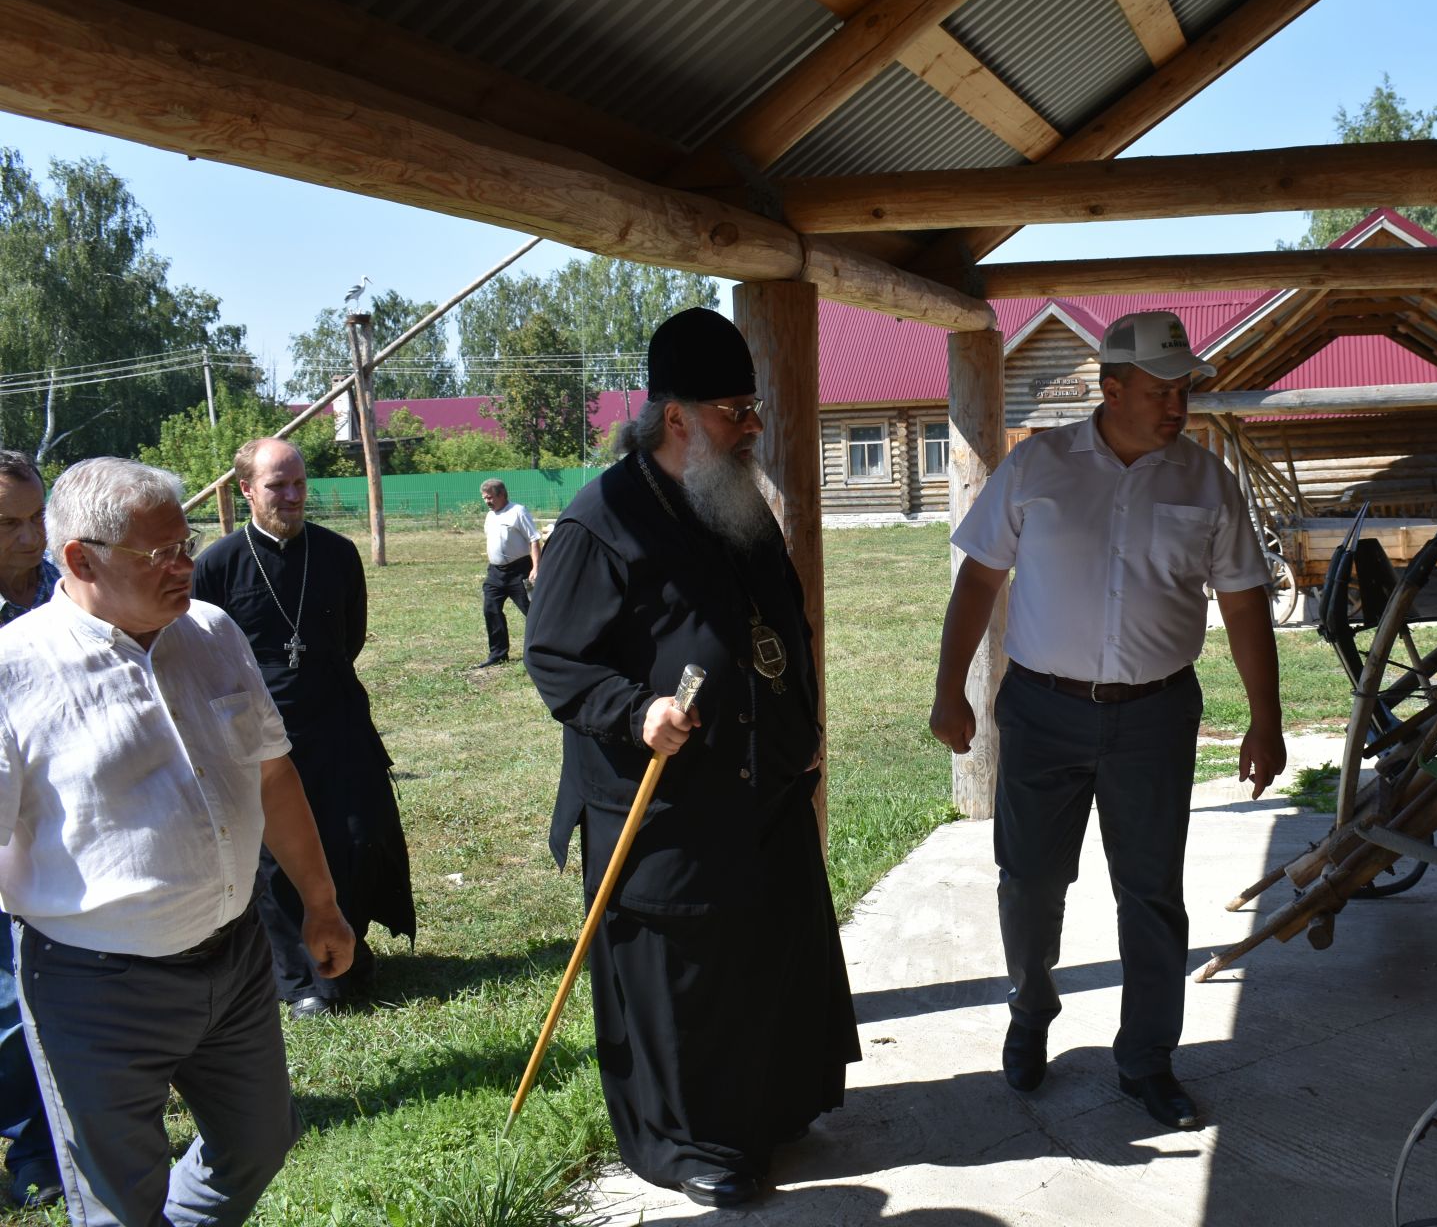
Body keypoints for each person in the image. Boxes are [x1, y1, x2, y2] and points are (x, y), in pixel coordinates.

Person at [524, 307, 857, 1210]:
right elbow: (555, 658)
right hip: (664, 795)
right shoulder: (604, 520)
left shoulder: (734, 494)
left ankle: (770, 1110)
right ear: (676, 418)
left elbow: (776, 616)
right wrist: (636, 712)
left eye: (754, 409)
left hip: (759, 787)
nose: (754, 426)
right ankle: (687, 1143)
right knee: (686, 982)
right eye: (736, 410)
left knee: (764, 959)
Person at [929, 310, 1287, 1131]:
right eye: (1161, 389)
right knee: (1028, 881)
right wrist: (950, 692)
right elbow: (979, 581)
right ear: (1112, 386)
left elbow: (1242, 606)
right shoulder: (1037, 468)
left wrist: (1265, 721)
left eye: (1185, 388)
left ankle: (1148, 1058)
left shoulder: (1206, 481)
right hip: (1042, 712)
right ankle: (1031, 1012)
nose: (1177, 406)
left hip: (1156, 717)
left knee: (1152, 893)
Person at [0, 456, 355, 1225]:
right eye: (157, 555)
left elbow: (272, 775)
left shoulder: (212, 632)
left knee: (260, 1141)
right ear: (80, 560)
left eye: (186, 545)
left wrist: (321, 904)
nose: (184, 568)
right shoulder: (15, 672)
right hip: (93, 986)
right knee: (121, 1201)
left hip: (234, 960)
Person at [193, 438, 416, 1018]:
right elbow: (203, 652)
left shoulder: (338, 553)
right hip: (259, 736)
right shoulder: (217, 565)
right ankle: (301, 978)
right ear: (246, 490)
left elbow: (351, 636)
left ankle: (349, 950)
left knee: (353, 839)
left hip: (337, 721)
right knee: (277, 856)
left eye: (298, 484)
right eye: (276, 486)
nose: (291, 497)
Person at [0, 451, 59, 1208]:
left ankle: (50, 1138)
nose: (28, 538)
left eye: (38, 518)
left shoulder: (67, 593)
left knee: (38, 994)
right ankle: (34, 1141)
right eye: (7, 524)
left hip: (62, 828)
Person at [476, 478, 539, 668]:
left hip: (519, 571)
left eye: (490, 497)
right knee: (491, 609)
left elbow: (534, 540)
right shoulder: (490, 516)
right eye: (484, 498)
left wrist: (536, 567)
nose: (487, 501)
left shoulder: (517, 511)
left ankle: (546, 649)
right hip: (495, 573)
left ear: (502, 494)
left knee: (533, 612)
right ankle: (498, 654)